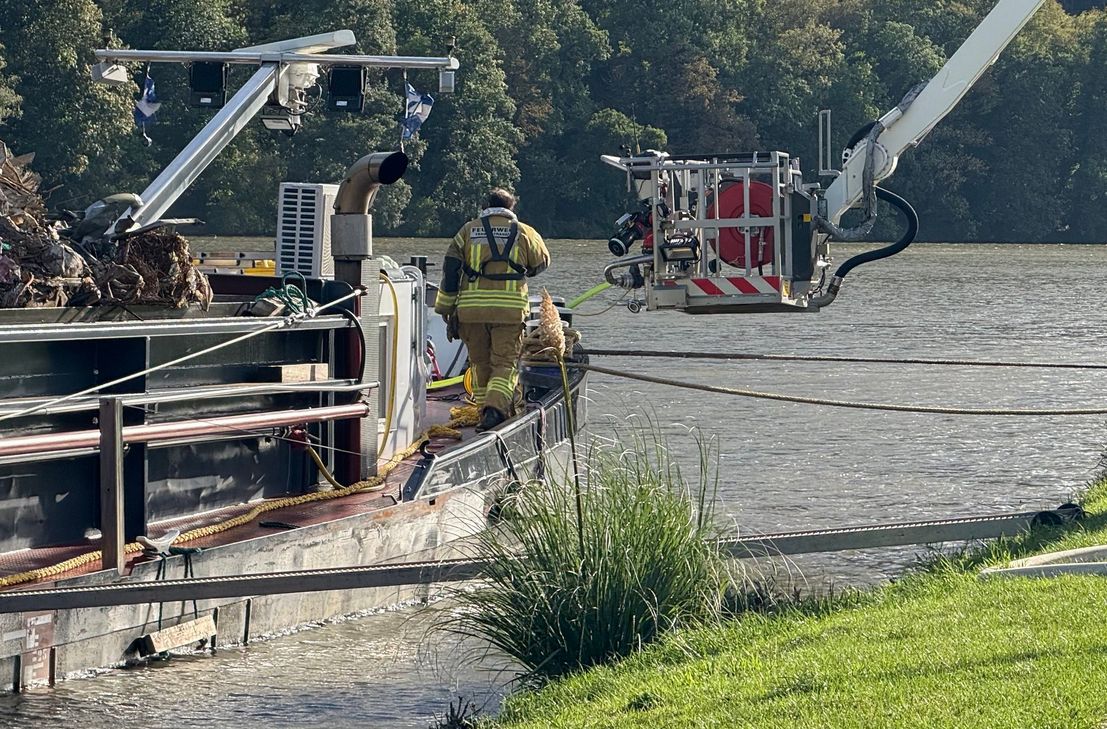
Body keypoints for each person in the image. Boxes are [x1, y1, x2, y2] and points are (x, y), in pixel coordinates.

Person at [434, 188, 550, 432]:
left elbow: (451, 269)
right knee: (504, 364)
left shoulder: (467, 231)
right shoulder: (524, 232)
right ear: (511, 207)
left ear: (485, 206)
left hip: (471, 312)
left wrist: (445, 306)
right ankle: (495, 411)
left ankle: (484, 409)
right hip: (509, 312)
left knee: (479, 363)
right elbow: (541, 262)